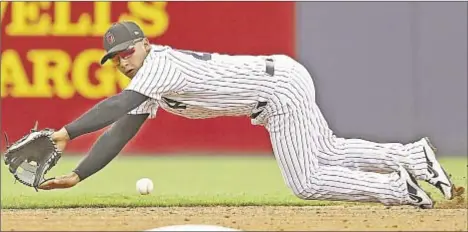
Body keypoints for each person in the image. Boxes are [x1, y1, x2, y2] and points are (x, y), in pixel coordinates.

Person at [38, 21, 455, 209]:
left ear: (145, 44)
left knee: (307, 182)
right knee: (327, 149)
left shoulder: (160, 64)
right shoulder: (149, 80)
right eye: (114, 59)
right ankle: (413, 159)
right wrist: (80, 174)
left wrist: (66, 133)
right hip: (278, 81)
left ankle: (398, 189)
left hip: (276, 88)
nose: (122, 62)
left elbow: (118, 106)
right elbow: (122, 128)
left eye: (126, 52)